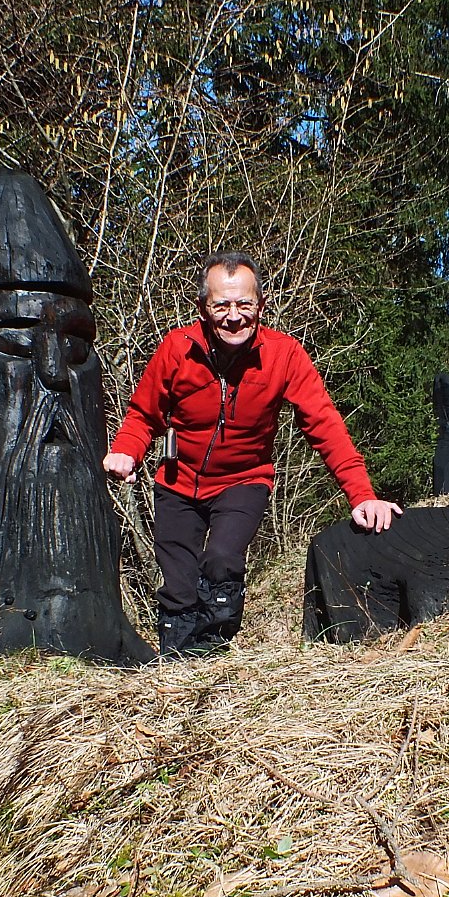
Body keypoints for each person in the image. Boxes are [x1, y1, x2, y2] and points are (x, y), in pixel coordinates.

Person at [103, 251, 402, 656]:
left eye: (244, 304)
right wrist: (126, 450)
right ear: (203, 308)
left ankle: (211, 653)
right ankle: (176, 661)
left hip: (244, 480)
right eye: (221, 305)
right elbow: (144, 414)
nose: (233, 316)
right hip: (177, 480)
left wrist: (362, 494)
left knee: (222, 558)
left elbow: (324, 425)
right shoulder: (177, 349)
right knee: (178, 581)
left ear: (260, 305)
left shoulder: (284, 355)